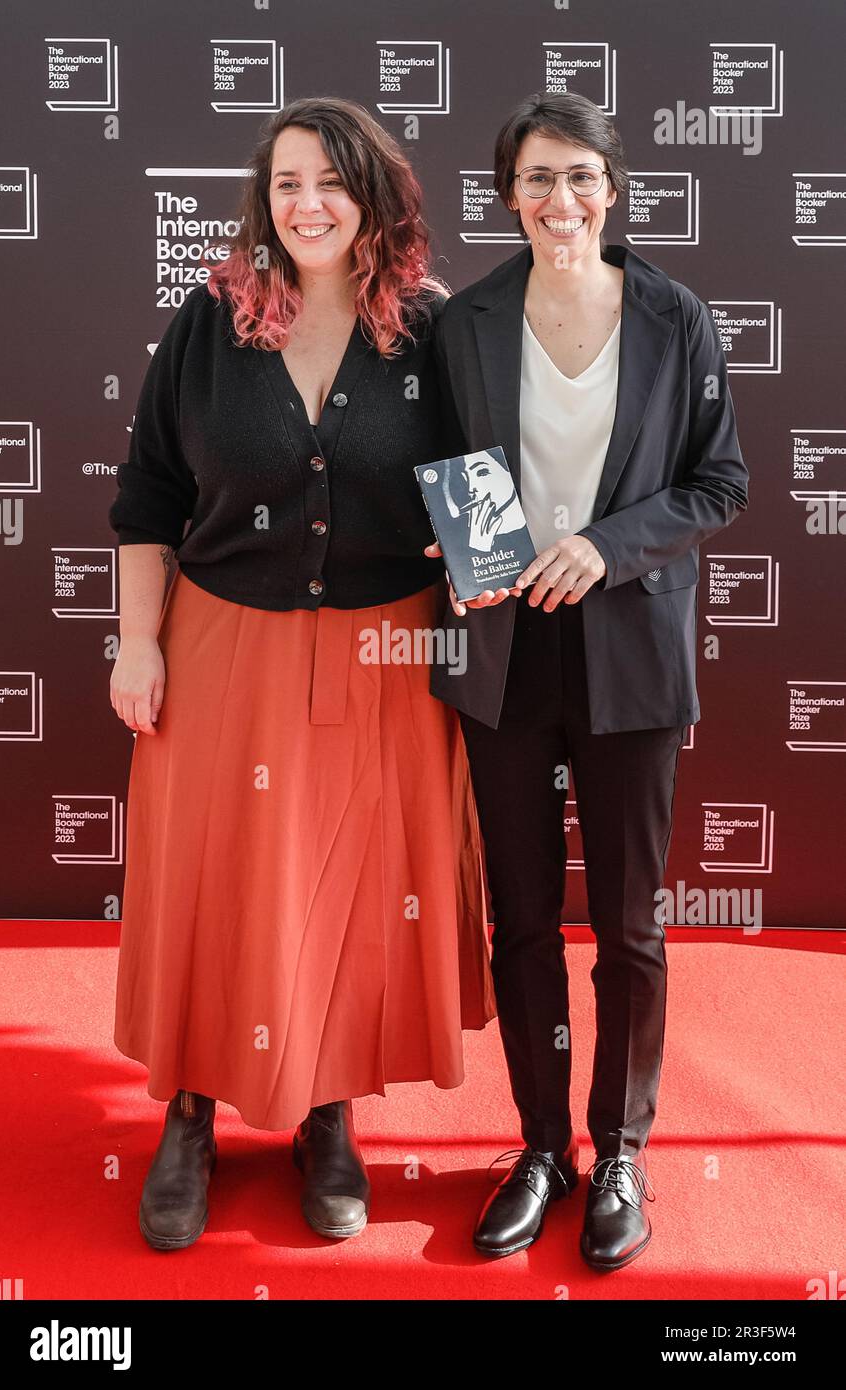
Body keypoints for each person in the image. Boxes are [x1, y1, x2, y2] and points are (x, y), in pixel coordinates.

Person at [108, 96, 496, 1252]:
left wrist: (476, 561)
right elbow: (146, 498)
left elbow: (482, 500)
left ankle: (324, 1113)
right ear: (261, 201)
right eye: (284, 184)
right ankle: (188, 1108)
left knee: (349, 889)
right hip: (225, 641)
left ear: (372, 193)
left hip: (386, 653)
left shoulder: (433, 328)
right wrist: (137, 638)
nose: (306, 204)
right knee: (213, 878)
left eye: (328, 181)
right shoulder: (210, 321)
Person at [425, 91, 749, 1270]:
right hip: (502, 655)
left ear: (611, 189)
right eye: (534, 180)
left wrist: (604, 545)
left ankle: (617, 1149)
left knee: (626, 924)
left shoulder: (676, 318)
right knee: (519, 921)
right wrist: (462, 546)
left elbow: (717, 484)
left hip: (629, 655)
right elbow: (440, 466)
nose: (557, 201)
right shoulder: (462, 323)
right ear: (507, 195)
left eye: (578, 178)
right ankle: (536, 1145)